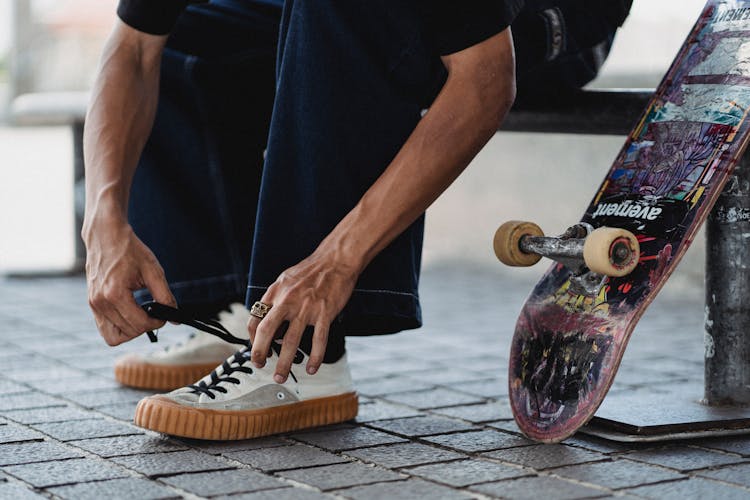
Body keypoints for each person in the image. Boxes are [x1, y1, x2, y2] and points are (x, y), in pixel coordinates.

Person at [83, 0, 632, 440]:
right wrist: (102, 222)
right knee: (194, 28)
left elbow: (485, 80)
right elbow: (134, 47)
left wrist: (337, 260)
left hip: (542, 23)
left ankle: (301, 354)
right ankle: (247, 318)